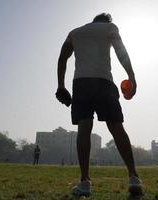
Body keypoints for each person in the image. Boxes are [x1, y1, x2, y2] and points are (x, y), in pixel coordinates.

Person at [56, 13, 143, 197]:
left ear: (94, 20)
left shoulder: (75, 32)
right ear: (107, 21)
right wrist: (132, 77)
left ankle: (85, 182)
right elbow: (121, 51)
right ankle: (133, 178)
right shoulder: (110, 28)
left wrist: (61, 85)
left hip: (81, 83)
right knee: (116, 127)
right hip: (104, 82)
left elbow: (62, 58)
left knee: (84, 128)